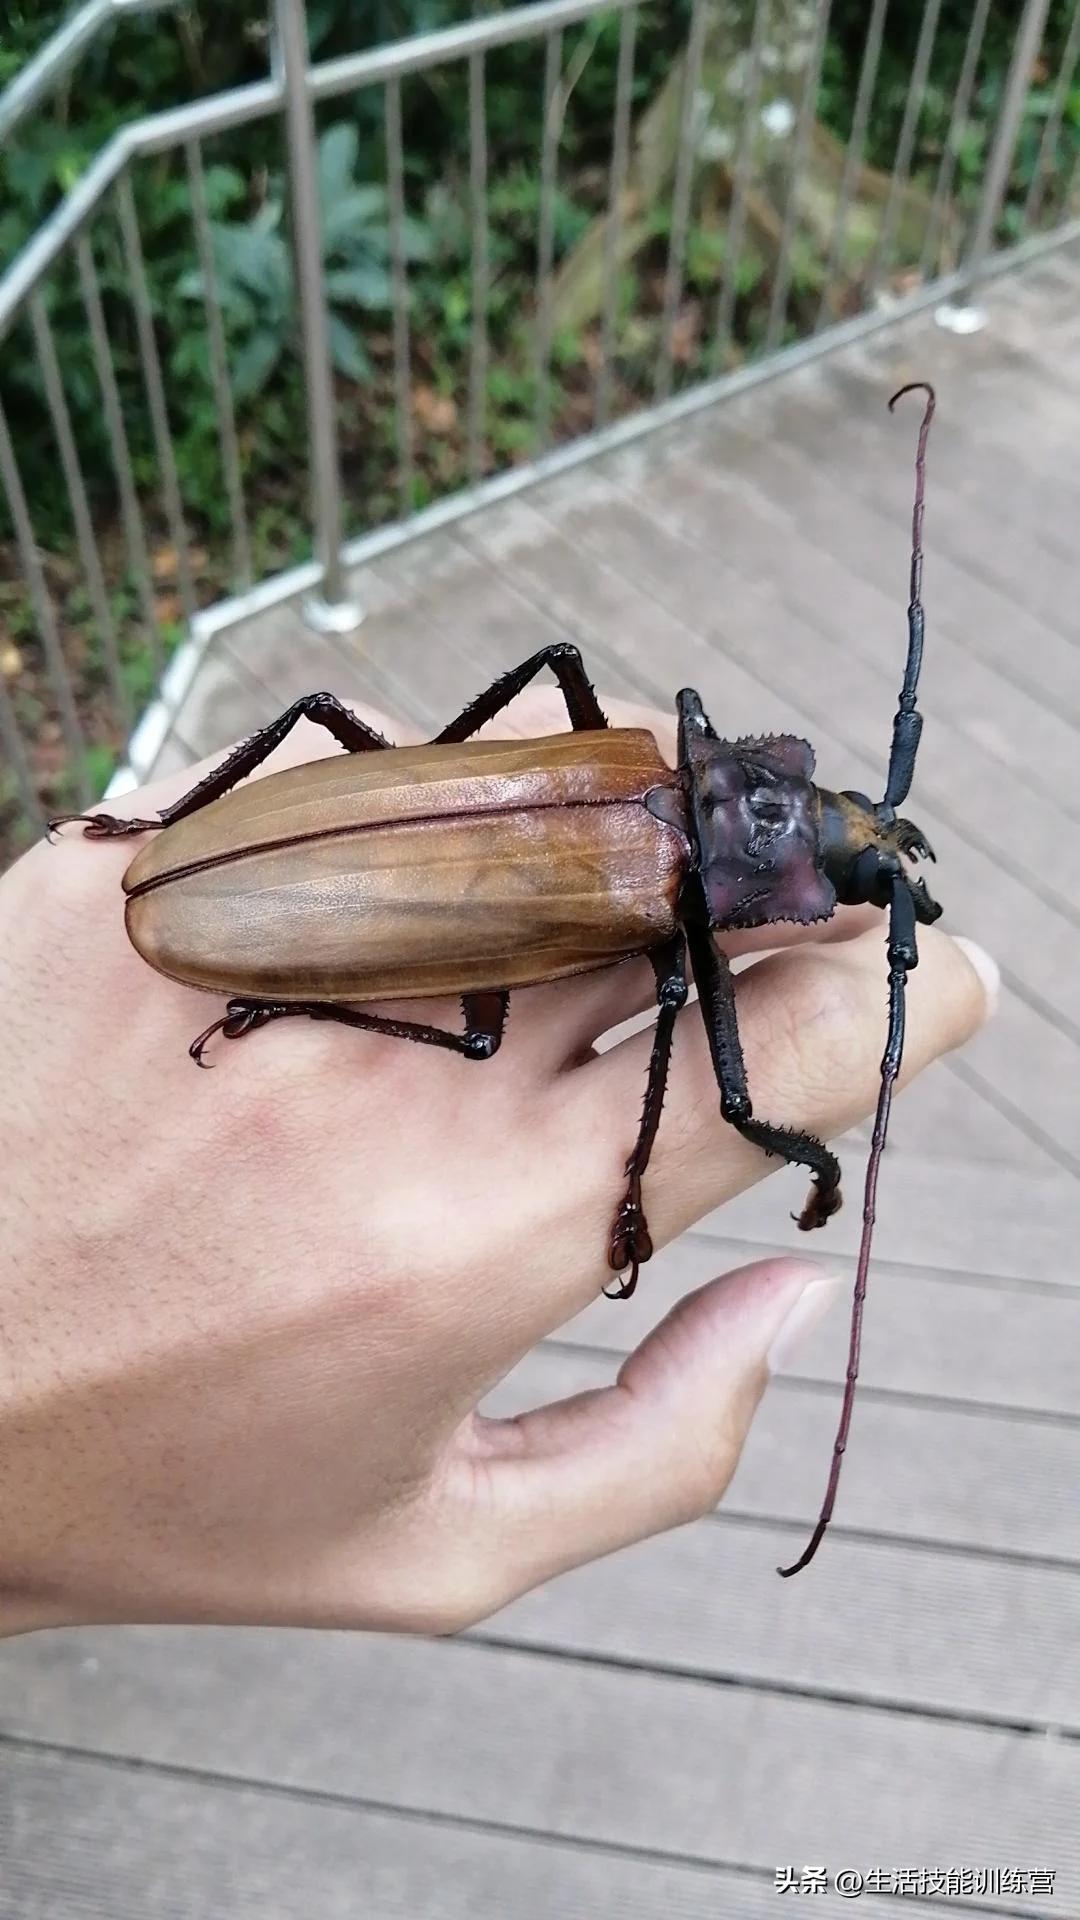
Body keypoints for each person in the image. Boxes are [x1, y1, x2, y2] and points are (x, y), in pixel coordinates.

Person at [0, 689, 994, 1638]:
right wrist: (800, 1171)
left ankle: (182, 843)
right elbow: (721, 1096)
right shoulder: (652, 894)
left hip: (380, 825)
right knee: (527, 1049)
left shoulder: (642, 754)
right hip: (293, 899)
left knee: (342, 712)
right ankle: (296, 997)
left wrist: (446, 769)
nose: (864, 841)